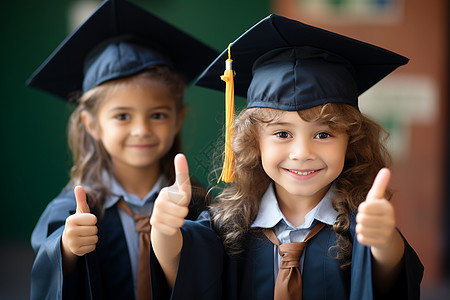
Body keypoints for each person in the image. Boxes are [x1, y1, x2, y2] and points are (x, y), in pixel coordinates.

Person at [149, 14, 424, 300]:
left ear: (351, 143)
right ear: (255, 143)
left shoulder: (360, 227)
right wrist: (164, 231)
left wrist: (383, 242)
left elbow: (388, 278)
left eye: (323, 135)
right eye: (282, 134)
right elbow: (184, 271)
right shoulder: (226, 228)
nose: (302, 153)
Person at [28, 0, 217, 299]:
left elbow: (209, 282)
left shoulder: (195, 204)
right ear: (91, 124)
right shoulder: (73, 209)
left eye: (157, 115)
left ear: (178, 118)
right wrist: (65, 250)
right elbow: (47, 278)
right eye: (122, 116)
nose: (141, 129)